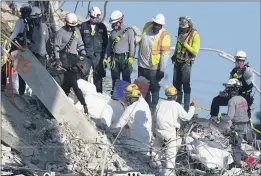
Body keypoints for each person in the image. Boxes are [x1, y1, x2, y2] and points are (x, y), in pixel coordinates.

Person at [152, 86, 197, 176]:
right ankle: (168, 174)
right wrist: (193, 107)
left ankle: (154, 171)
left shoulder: (160, 104)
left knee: (155, 153)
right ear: (175, 96)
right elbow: (186, 117)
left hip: (159, 132)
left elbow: (154, 119)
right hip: (170, 134)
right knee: (170, 158)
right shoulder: (177, 106)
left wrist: (154, 131)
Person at [54, 13, 88, 114]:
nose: (73, 28)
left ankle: (78, 104)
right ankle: (80, 104)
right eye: (71, 26)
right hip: (64, 58)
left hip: (74, 59)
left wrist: (83, 53)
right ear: (66, 23)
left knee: (72, 82)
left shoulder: (76, 31)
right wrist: (57, 59)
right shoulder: (61, 32)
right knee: (67, 83)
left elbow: (80, 43)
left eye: (74, 26)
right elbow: (56, 46)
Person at [137, 13, 171, 113]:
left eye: (159, 25)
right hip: (142, 63)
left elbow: (165, 54)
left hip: (153, 66)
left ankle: (153, 107)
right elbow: (141, 39)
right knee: (143, 86)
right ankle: (145, 105)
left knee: (153, 86)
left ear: (162, 26)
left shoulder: (165, 35)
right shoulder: (147, 26)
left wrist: (162, 69)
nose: (156, 26)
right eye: (155, 24)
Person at [221, 78, 254, 168]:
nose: (227, 90)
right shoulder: (243, 99)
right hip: (247, 126)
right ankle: (252, 160)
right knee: (252, 143)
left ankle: (238, 164)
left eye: (228, 88)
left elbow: (230, 116)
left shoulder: (232, 101)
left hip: (238, 127)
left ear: (232, 89)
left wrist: (222, 118)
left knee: (236, 147)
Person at [210, 50, 254, 119]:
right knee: (216, 100)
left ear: (240, 60)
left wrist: (243, 69)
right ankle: (213, 118)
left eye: (237, 60)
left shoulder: (247, 71)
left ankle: (245, 123)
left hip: (243, 98)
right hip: (232, 95)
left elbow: (249, 79)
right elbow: (230, 82)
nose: (235, 62)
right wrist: (224, 91)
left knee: (243, 113)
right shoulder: (234, 71)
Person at [110, 84, 152, 155]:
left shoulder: (131, 108)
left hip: (134, 145)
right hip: (146, 144)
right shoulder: (145, 105)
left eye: (128, 94)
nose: (127, 98)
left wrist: (107, 130)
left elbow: (118, 125)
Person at [171, 16, 200, 112]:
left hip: (186, 62)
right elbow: (177, 45)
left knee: (186, 84)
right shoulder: (180, 32)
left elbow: (195, 51)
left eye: (184, 27)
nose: (183, 29)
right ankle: (177, 106)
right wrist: (174, 55)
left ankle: (186, 108)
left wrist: (186, 45)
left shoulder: (195, 35)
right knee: (176, 84)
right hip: (178, 61)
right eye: (182, 27)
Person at [103, 10, 136, 94]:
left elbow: (132, 44)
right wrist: (105, 57)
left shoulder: (129, 31)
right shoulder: (112, 33)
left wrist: (131, 56)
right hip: (114, 58)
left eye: (114, 23)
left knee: (126, 78)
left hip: (125, 58)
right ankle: (117, 96)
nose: (113, 25)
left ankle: (127, 96)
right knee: (115, 78)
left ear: (120, 21)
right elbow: (108, 47)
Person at [1, 5, 32, 92]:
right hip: (25, 48)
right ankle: (22, 91)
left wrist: (9, 40)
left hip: (16, 46)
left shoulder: (20, 21)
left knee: (8, 65)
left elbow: (15, 33)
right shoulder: (30, 22)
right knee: (22, 69)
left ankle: (2, 84)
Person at [80, 6, 108, 93]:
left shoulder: (102, 27)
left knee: (98, 76)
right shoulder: (84, 26)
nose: (96, 19)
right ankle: (82, 93)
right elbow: (79, 41)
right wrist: (81, 53)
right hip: (86, 55)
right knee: (83, 74)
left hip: (98, 56)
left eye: (97, 17)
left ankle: (98, 94)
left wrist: (105, 57)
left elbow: (106, 42)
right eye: (94, 17)